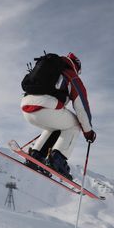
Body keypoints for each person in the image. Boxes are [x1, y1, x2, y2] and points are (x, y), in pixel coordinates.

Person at [21, 52, 96, 180]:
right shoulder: (72, 76)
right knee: (76, 124)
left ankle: (36, 155)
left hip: (25, 107)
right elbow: (81, 107)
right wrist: (88, 132)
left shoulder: (50, 69)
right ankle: (57, 160)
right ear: (76, 66)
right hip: (45, 107)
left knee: (56, 126)